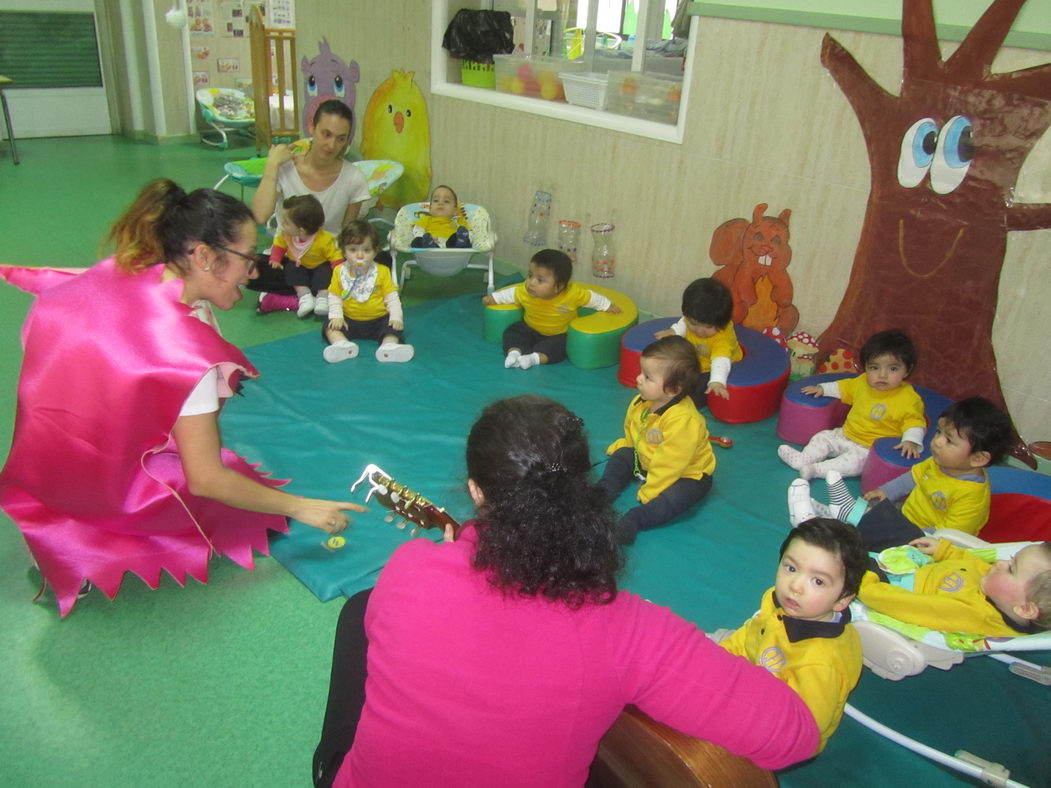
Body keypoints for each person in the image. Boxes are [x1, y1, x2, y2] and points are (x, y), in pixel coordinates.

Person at [313, 396, 819, 787]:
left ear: (476, 491)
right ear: (582, 490)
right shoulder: (629, 630)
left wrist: (456, 553)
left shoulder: (409, 569)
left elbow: (460, 631)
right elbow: (794, 734)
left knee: (363, 608)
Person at [0, 179, 365, 617]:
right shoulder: (182, 352)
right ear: (205, 256)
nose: (254, 273)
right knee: (223, 489)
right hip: (91, 479)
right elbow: (206, 479)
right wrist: (299, 506)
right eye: (249, 260)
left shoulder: (133, 269)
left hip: (47, 453)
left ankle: (74, 505)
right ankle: (88, 529)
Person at [714, 518, 866, 754]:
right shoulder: (783, 603)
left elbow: (804, 731)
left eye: (818, 581)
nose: (795, 585)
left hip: (774, 719)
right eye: (791, 568)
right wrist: (720, 658)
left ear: (842, 600)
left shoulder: (820, 664)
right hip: (752, 668)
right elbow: (747, 638)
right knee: (694, 646)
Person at [789, 398, 1013, 550]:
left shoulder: (971, 495)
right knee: (878, 509)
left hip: (925, 539)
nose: (936, 442)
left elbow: (950, 537)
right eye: (938, 432)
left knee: (872, 531)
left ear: (978, 458)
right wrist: (886, 491)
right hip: (905, 515)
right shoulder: (939, 463)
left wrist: (909, 533)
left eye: (948, 440)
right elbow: (911, 478)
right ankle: (833, 514)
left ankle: (822, 524)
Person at [598, 336, 715, 545]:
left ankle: (635, 520)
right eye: (641, 372)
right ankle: (603, 491)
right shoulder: (643, 401)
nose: (639, 379)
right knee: (622, 456)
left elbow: (672, 462)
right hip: (648, 460)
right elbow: (632, 426)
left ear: (673, 389)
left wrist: (652, 489)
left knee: (675, 498)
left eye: (648, 377)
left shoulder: (683, 420)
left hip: (686, 473)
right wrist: (628, 445)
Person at [777, 330, 926, 480]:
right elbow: (842, 387)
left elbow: (914, 422)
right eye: (874, 368)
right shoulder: (862, 382)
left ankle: (816, 470)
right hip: (845, 434)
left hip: (868, 448)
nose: (882, 375)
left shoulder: (908, 399)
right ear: (866, 367)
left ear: (907, 370)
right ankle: (805, 458)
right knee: (822, 437)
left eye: (893, 369)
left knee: (852, 463)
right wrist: (822, 388)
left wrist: (911, 441)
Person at [858, 536, 1051, 637]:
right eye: (1010, 559)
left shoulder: (972, 614)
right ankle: (852, 513)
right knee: (910, 534)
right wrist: (944, 550)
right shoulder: (996, 586)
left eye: (1011, 568)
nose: (1000, 562)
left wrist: (863, 582)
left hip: (894, 584)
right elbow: (971, 562)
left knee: (845, 558)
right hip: (920, 562)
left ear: (1025, 609)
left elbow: (905, 604)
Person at [481, 249, 621, 369]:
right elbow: (510, 294)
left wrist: (608, 306)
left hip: (559, 334)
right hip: (530, 327)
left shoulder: (572, 294)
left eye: (540, 280)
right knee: (513, 331)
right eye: (530, 276)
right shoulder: (525, 290)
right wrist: (494, 298)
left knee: (561, 347)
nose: (531, 283)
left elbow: (593, 299)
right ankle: (514, 352)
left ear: (559, 287)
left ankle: (534, 359)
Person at [252, 100, 371, 237]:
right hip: (286, 253)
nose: (331, 145)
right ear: (311, 127)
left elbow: (346, 234)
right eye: (326, 134)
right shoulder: (286, 168)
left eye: (340, 139)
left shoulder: (354, 178)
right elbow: (260, 216)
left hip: (329, 254)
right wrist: (272, 165)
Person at [323, 220, 413, 364]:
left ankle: (389, 346)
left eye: (366, 250)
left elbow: (392, 298)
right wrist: (336, 316)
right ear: (343, 251)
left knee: (392, 327)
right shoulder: (339, 271)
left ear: (375, 251)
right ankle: (341, 344)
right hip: (349, 320)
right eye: (353, 250)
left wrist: (396, 317)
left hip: (378, 320)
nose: (360, 255)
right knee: (329, 325)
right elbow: (334, 297)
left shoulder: (382, 272)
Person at [655, 277, 743, 408]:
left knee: (698, 388)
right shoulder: (691, 320)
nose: (700, 331)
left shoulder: (721, 338)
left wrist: (717, 381)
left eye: (707, 327)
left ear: (720, 324)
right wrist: (673, 331)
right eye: (694, 324)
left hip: (715, 364)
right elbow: (683, 323)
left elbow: (721, 360)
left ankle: (688, 405)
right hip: (697, 359)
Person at [268, 194, 346, 318]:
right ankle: (304, 296)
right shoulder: (286, 235)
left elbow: (335, 256)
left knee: (325, 271)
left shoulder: (324, 239)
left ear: (301, 230)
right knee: (291, 268)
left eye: (286, 222)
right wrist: (275, 259)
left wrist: (340, 271)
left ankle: (323, 297)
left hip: (319, 264)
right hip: (299, 265)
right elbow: (279, 245)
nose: (282, 225)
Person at [409, 184, 472, 248]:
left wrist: (462, 237)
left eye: (446, 201)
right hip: (432, 243)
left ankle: (460, 242)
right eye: (436, 200)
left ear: (455, 211)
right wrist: (425, 238)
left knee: (459, 238)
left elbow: (469, 234)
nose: (440, 203)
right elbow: (417, 231)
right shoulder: (426, 219)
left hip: (452, 247)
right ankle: (429, 244)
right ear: (430, 208)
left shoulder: (459, 220)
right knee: (416, 241)